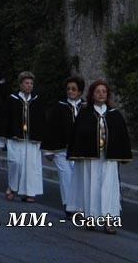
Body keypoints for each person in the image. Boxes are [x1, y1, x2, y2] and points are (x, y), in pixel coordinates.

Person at [68, 79, 132, 234]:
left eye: (104, 91)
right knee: (91, 187)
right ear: (92, 94)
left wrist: (120, 153)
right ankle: (91, 218)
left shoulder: (114, 115)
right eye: (98, 91)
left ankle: (109, 221)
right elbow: (77, 134)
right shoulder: (85, 113)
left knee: (109, 189)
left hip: (108, 159)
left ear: (107, 94)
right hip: (91, 159)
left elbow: (122, 135)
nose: (101, 94)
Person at [0, 71, 44, 202]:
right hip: (16, 138)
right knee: (15, 163)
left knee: (31, 166)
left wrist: (40, 136)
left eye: (31, 83)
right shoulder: (12, 99)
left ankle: (29, 192)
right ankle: (12, 187)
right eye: (26, 83)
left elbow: (41, 119)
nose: (29, 86)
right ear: (21, 85)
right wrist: (6, 136)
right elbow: (6, 118)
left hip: (31, 139)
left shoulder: (37, 100)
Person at [43, 76, 85, 216]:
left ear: (80, 92)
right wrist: (48, 150)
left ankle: (79, 206)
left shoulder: (86, 107)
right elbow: (51, 128)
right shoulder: (59, 107)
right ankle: (69, 206)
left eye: (74, 89)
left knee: (79, 178)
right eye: (68, 89)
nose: (70, 91)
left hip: (80, 150)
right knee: (66, 177)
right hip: (62, 149)